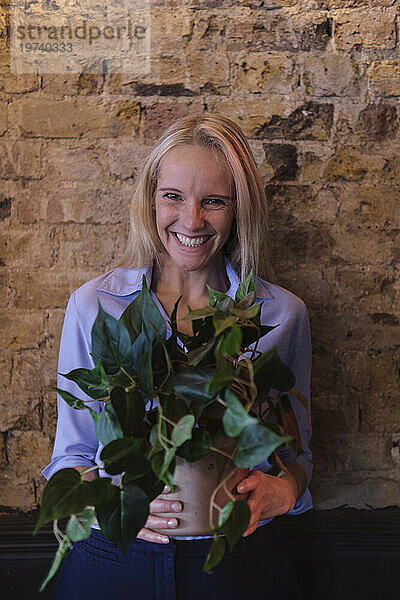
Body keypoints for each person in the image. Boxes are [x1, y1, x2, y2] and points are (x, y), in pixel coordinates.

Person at [42, 112, 312, 600]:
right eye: (173, 196)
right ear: (150, 200)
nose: (191, 220)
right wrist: (109, 504)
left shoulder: (282, 315)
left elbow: (294, 455)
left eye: (214, 201)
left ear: (238, 211)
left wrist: (287, 490)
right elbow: (73, 456)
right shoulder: (95, 305)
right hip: (113, 561)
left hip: (240, 563)